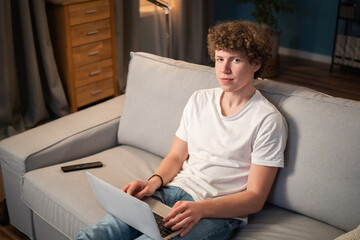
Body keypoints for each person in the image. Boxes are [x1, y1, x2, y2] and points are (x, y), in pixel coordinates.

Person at [76, 20, 288, 240]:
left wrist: (201, 209)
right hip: (170, 192)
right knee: (96, 234)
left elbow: (255, 198)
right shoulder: (200, 99)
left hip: (216, 212)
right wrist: (153, 182)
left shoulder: (267, 120)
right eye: (219, 59)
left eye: (235, 60)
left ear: (255, 64)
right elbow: (176, 156)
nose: (224, 69)